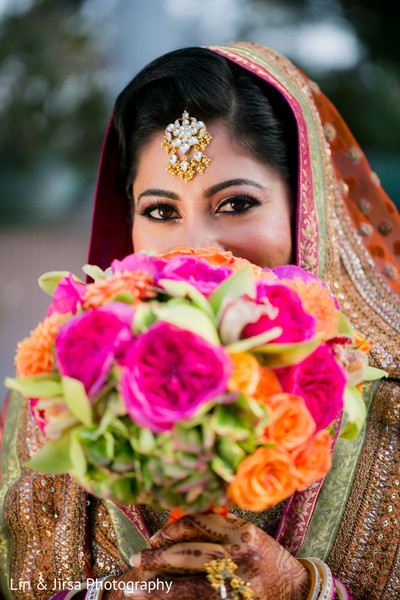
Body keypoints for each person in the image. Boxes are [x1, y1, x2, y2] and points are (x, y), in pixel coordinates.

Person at [1, 41, 399, 600]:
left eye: (235, 203)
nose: (194, 250)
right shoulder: (63, 388)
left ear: (305, 207)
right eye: (161, 211)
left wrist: (299, 590)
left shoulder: (388, 403)